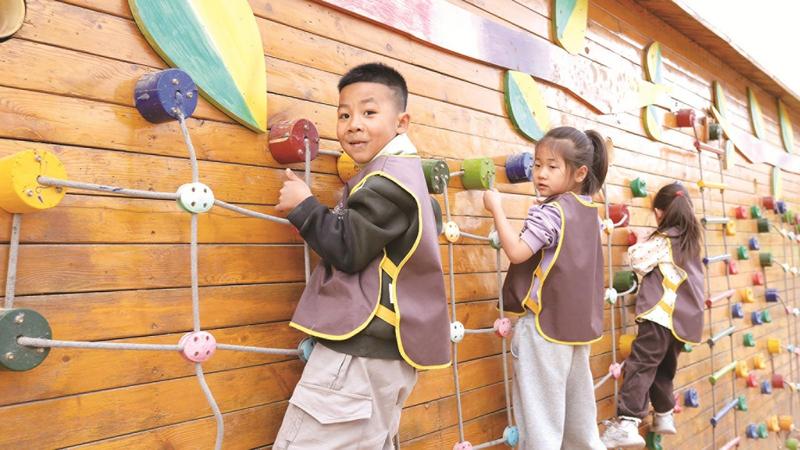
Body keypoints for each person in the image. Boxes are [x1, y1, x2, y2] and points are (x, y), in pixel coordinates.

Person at [271, 62, 450, 450]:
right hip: (383, 356)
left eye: (369, 113)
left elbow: (348, 248)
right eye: (344, 115)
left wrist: (304, 206)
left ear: (401, 122)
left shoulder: (387, 182)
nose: (354, 125)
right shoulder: (404, 177)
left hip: (357, 357)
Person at [483, 126, 609, 449]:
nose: (540, 174)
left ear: (580, 173)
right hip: (577, 333)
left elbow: (517, 252)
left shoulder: (551, 212)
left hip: (543, 330)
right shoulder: (589, 213)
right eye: (537, 164)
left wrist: (496, 208)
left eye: (553, 166)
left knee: (541, 428)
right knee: (580, 427)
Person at [600, 182, 704, 448]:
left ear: (659, 212)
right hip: (682, 322)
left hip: (660, 316)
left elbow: (637, 259)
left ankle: (627, 422)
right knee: (663, 369)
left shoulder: (665, 239)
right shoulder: (691, 242)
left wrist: (643, 240)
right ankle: (664, 414)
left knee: (641, 365)